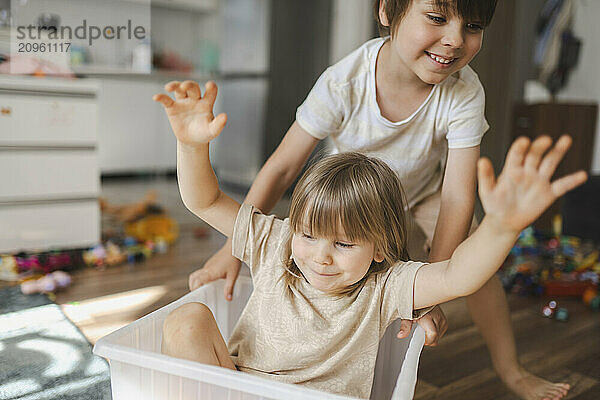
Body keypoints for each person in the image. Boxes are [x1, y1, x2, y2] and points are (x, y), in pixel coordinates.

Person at [182, 1, 573, 398]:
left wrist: (432, 294)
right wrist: (234, 249)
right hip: (349, 199)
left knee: (478, 268)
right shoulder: (344, 82)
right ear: (387, 11)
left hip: (423, 191)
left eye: (472, 26)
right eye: (437, 18)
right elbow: (281, 169)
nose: (455, 39)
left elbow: (457, 197)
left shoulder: (464, 91)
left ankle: (511, 370)